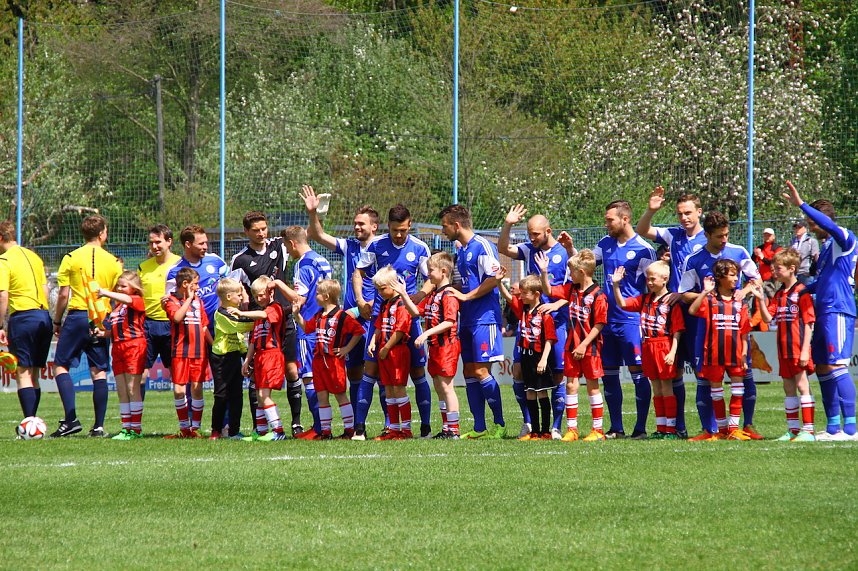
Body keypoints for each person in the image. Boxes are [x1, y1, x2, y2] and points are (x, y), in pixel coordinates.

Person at [566, 200, 655, 440]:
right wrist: (571, 249)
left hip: (632, 321)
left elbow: (653, 285)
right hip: (606, 321)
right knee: (609, 374)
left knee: (638, 373)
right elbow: (583, 266)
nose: (606, 224)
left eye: (610, 220)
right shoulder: (605, 244)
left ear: (625, 219)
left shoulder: (644, 250)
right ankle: (616, 427)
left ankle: (641, 428)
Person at [300, 187, 385, 432]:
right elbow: (317, 235)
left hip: (373, 318)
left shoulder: (382, 246)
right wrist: (313, 212)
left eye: (362, 224)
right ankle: (358, 426)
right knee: (355, 372)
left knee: (378, 373)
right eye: (355, 224)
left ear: (374, 227)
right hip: (350, 319)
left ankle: (391, 426)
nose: (357, 228)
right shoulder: (349, 246)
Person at [678, 210, 763, 440]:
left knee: (744, 376)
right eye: (719, 236)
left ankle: (746, 425)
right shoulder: (694, 259)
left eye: (726, 234)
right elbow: (683, 294)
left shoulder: (739, 252)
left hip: (736, 327)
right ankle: (711, 429)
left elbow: (757, 280)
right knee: (706, 379)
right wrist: (706, 295)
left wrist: (743, 292)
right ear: (707, 235)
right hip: (706, 330)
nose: (724, 240)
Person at [783, 180, 857, 441]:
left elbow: (829, 226)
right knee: (824, 368)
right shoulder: (826, 250)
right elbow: (824, 280)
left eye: (813, 223)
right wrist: (802, 290)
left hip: (838, 309)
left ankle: (851, 428)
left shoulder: (845, 238)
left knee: (838, 366)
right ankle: (834, 426)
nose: (811, 227)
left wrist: (801, 203)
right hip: (824, 310)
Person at [353, 204, 434, 440]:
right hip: (380, 318)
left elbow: (430, 279)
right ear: (387, 226)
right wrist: (360, 300)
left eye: (403, 230)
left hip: (407, 317)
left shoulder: (419, 248)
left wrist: (416, 297)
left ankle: (425, 428)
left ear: (410, 225)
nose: (399, 234)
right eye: (395, 230)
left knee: (418, 372)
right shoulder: (376, 245)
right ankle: (361, 428)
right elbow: (359, 272)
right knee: (371, 370)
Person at [637, 187, 707, 438]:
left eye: (688, 213)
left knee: (701, 371)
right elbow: (643, 230)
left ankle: (708, 427)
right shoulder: (674, 235)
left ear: (699, 212)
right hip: (674, 310)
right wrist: (651, 210)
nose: (684, 218)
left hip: (698, 312)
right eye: (680, 214)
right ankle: (676, 426)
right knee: (672, 373)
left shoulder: (707, 239)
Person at [498, 205, 568, 439]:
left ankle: (556, 427)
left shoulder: (563, 253)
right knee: (519, 372)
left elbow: (573, 288)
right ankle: (529, 424)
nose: (531, 238)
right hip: (528, 323)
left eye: (535, 234)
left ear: (548, 231)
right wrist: (508, 224)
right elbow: (503, 248)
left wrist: (557, 305)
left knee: (557, 375)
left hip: (555, 322)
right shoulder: (528, 249)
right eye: (529, 233)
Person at [230, 211, 303, 436]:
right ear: (246, 232)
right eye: (256, 230)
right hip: (260, 324)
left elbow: (301, 237)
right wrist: (240, 311)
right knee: (255, 376)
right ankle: (259, 428)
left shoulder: (279, 246)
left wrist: (315, 212)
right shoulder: (240, 259)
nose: (262, 233)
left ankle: (296, 423)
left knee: (292, 370)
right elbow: (233, 290)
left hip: (284, 318)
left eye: (264, 228)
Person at [51, 214, 123, 438]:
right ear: (102, 233)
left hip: (77, 316)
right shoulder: (113, 261)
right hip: (101, 318)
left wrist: (57, 320)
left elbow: (63, 294)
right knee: (98, 371)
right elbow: (117, 294)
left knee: (61, 366)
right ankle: (98, 426)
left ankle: (71, 419)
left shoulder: (71, 257)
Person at [439, 204, 506, 439]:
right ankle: (479, 427)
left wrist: (466, 296)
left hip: (484, 318)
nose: (443, 231)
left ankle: (499, 424)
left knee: (479, 370)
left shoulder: (482, 246)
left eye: (444, 226)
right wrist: (446, 290)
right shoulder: (464, 250)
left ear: (456, 225)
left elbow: (493, 278)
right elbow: (467, 284)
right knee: (468, 371)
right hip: (467, 318)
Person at [271, 225, 333, 440]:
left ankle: (319, 428)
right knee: (324, 379)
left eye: (287, 248)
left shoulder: (303, 264)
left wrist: (278, 283)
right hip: (326, 326)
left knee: (309, 378)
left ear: (292, 243)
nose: (287, 252)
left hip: (308, 328)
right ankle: (327, 427)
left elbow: (299, 298)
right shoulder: (321, 259)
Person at [539, 249, 609, 442]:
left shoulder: (598, 295)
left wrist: (584, 345)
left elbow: (599, 324)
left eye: (572, 271)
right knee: (570, 385)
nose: (569, 274)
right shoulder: (571, 289)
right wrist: (544, 272)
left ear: (582, 272)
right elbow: (548, 291)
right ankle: (572, 429)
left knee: (593, 387)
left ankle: (598, 430)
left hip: (590, 347)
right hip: (571, 345)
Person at [612, 262, 685, 439]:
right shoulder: (645, 299)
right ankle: (660, 428)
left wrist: (672, 351)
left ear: (665, 279)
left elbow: (677, 330)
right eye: (648, 278)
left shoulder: (671, 302)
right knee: (657, 388)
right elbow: (622, 304)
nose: (649, 282)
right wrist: (616, 285)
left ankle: (670, 429)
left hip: (664, 345)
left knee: (666, 387)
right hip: (647, 346)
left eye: (653, 279)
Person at [397, 251, 462, 438]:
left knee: (447, 387)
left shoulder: (448, 295)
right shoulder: (434, 294)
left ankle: (454, 430)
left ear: (443, 271)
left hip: (446, 346)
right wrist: (403, 293)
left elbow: (449, 321)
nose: (428, 274)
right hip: (435, 347)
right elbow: (415, 312)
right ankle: (446, 428)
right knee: (439, 386)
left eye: (430, 270)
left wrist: (425, 333)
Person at [755, 249, 816, 442]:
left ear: (792, 269)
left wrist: (806, 349)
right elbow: (767, 317)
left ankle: (809, 430)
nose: (774, 271)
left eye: (778, 268)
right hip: (783, 349)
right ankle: (793, 430)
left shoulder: (801, 292)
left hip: (798, 348)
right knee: (788, 387)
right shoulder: (780, 293)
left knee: (801, 385)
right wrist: (760, 299)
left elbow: (809, 323)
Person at [688, 260, 753, 440]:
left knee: (738, 390)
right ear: (719, 277)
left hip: (736, 353)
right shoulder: (710, 300)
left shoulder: (740, 302)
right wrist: (704, 292)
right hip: (714, 354)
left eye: (736, 275)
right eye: (732, 275)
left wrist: (744, 353)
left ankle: (733, 429)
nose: (736, 279)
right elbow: (692, 310)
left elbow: (744, 331)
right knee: (716, 391)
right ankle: (722, 430)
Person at [293, 279, 365, 439]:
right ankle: (326, 432)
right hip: (318, 362)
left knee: (340, 394)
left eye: (317, 293)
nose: (315, 296)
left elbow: (359, 331)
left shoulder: (342, 316)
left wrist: (346, 348)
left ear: (326, 296)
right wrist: (296, 314)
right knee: (322, 396)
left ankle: (349, 430)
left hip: (334, 362)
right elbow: (307, 327)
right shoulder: (318, 315)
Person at [0, 220, 52, 421]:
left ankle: (29, 424)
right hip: (43, 316)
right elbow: (45, 288)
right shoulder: (34, 256)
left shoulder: (4, 261)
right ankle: (34, 420)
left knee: (22, 372)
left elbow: (3, 295)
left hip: (23, 317)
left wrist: (0, 325)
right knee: (35, 375)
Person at [163, 267, 211, 438]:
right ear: (185, 284)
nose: (198, 288)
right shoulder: (171, 300)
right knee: (179, 390)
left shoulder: (199, 301)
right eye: (195, 284)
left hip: (199, 352)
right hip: (180, 352)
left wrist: (214, 346)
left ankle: (195, 429)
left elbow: (204, 326)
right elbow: (176, 318)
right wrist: (189, 299)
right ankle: (184, 428)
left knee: (197, 389)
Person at [367, 266, 414, 440]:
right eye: (377, 289)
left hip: (397, 351)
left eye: (382, 288)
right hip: (384, 352)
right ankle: (393, 429)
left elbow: (400, 330)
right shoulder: (385, 304)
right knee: (388, 389)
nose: (379, 292)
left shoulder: (402, 304)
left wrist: (387, 348)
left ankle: (406, 430)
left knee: (398, 388)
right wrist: (373, 341)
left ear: (393, 285)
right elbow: (379, 326)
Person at [239, 276, 288, 441]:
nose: (259, 299)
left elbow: (264, 314)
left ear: (271, 292)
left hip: (271, 355)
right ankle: (260, 432)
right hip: (259, 357)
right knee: (259, 395)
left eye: (262, 295)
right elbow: (253, 340)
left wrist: (241, 312)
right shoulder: (259, 318)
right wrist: (247, 360)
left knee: (263, 394)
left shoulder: (275, 308)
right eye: (256, 296)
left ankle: (278, 431)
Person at [508, 275, 557, 440]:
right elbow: (509, 298)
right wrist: (499, 282)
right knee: (529, 392)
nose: (520, 296)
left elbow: (550, 339)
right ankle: (534, 431)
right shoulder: (524, 310)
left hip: (539, 358)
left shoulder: (545, 314)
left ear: (536, 294)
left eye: (524, 293)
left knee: (541, 393)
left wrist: (544, 359)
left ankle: (545, 431)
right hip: (525, 357)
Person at [99, 271, 147, 440]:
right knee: (121, 390)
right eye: (118, 285)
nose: (120, 288)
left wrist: (105, 292)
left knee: (133, 388)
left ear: (134, 289)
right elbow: (113, 330)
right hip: (118, 347)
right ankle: (126, 428)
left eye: (123, 286)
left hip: (134, 345)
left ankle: (136, 429)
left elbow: (128, 300)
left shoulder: (136, 300)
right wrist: (101, 332)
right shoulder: (117, 307)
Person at [209, 278, 256, 439]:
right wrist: (262, 318)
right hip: (221, 358)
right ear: (228, 297)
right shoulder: (221, 314)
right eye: (239, 294)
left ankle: (234, 431)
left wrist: (245, 357)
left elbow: (239, 337)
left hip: (234, 355)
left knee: (237, 395)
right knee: (221, 395)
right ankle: (216, 429)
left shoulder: (235, 312)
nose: (242, 297)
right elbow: (239, 326)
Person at [138, 225, 181, 400]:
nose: (154, 246)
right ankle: (134, 424)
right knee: (140, 374)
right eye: (151, 243)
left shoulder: (180, 264)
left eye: (158, 242)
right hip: (147, 324)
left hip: (173, 324)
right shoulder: (143, 267)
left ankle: (186, 424)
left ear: (169, 241)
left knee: (177, 376)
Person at [165, 225, 229, 332]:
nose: (205, 247)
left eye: (206, 243)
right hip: (193, 330)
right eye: (201, 243)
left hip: (220, 326)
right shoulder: (174, 271)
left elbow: (231, 283)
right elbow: (171, 303)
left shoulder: (215, 260)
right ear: (188, 244)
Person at [753, 228, 783, 298]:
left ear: (773, 236)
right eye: (765, 235)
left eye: (769, 235)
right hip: (762, 279)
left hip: (774, 279)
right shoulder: (759, 248)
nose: (767, 237)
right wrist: (755, 254)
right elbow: (753, 262)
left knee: (774, 297)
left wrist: (762, 257)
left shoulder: (778, 248)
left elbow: (774, 263)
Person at [790, 220, 819, 286]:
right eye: (796, 228)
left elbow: (815, 257)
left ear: (805, 228)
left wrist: (811, 272)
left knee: (807, 294)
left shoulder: (812, 241)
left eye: (799, 227)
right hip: (794, 273)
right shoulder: (792, 241)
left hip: (806, 273)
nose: (797, 229)